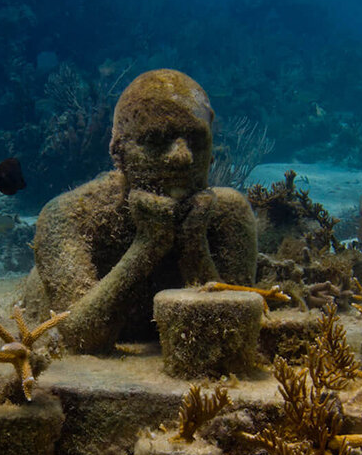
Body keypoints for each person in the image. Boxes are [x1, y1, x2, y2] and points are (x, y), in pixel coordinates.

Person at [23, 69, 257, 353]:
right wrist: (147, 246)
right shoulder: (68, 216)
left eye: (196, 140)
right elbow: (78, 337)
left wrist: (194, 245)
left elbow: (238, 336)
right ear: (118, 151)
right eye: (157, 141)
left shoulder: (229, 214)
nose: (182, 157)